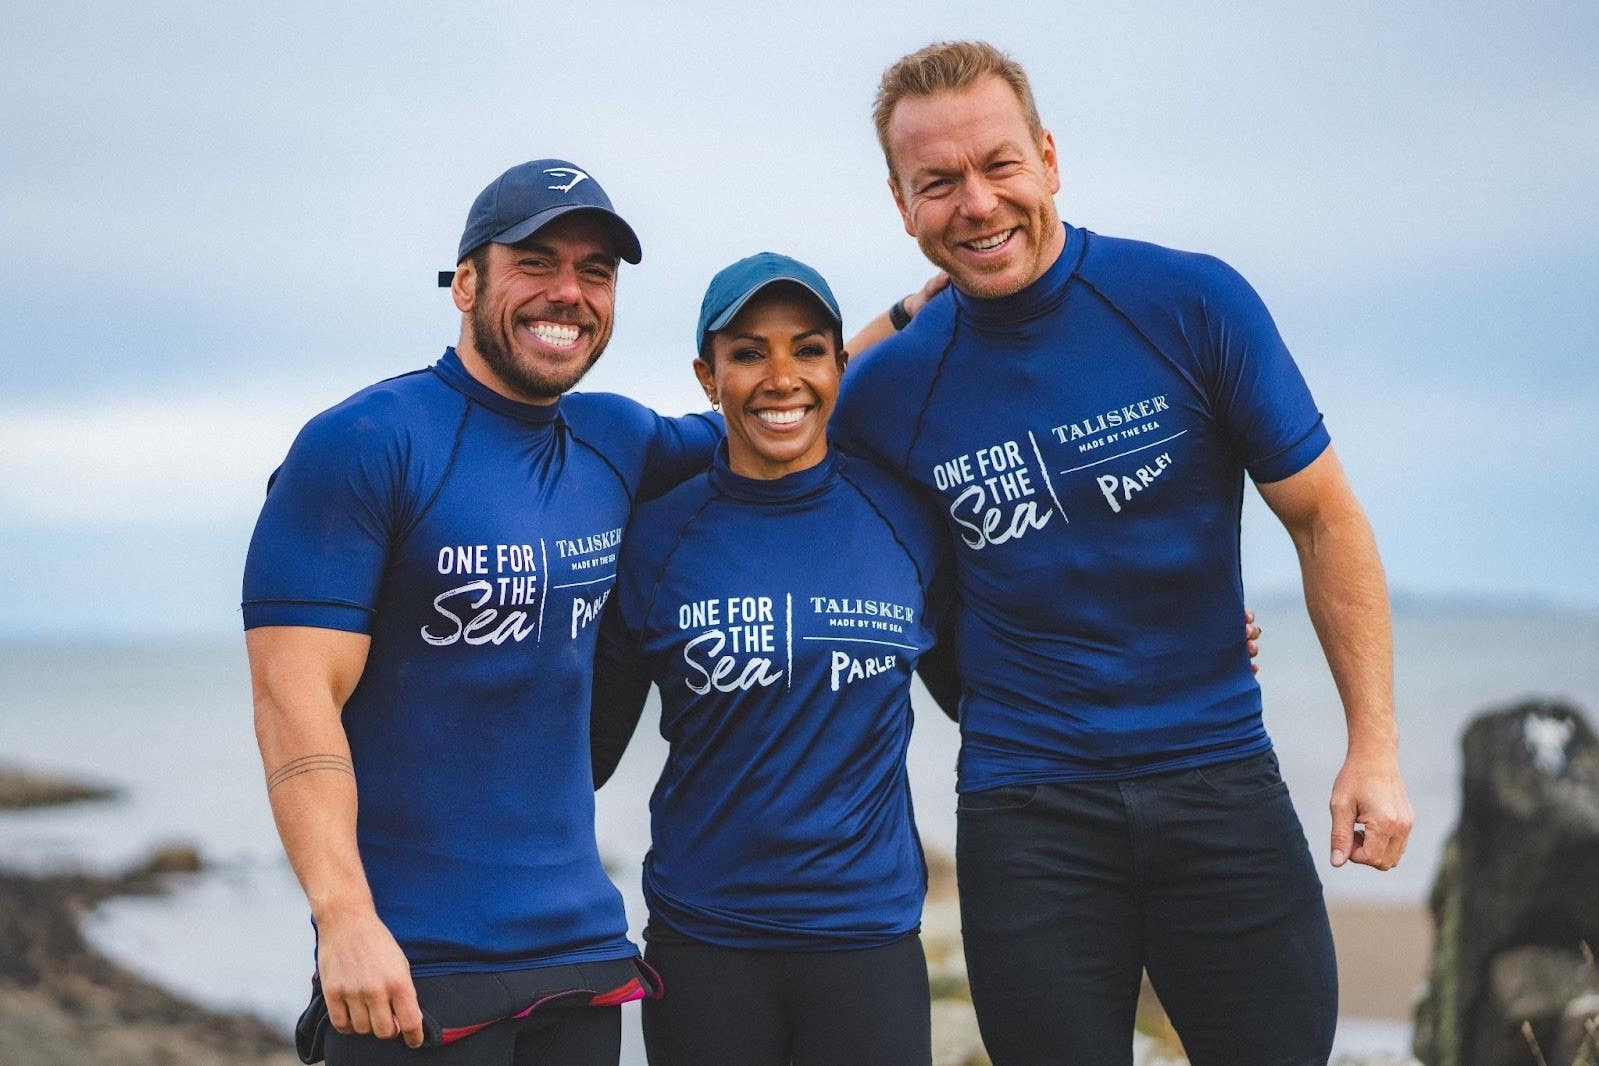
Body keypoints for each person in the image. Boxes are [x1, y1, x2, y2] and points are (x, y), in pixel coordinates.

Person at [835, 41, 1415, 1065]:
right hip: (1029, 812)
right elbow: (771, 419)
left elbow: (1323, 517)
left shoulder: (1189, 304)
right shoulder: (889, 393)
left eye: (999, 165)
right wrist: (902, 313)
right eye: (939, 183)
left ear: (1049, 158)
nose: (976, 203)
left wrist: (1373, 746)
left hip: (1217, 775)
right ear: (902, 205)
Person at [242, 159, 723, 1065]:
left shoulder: (616, 439)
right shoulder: (364, 444)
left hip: (581, 957)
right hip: (412, 969)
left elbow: (777, 402)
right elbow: (289, 700)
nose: (569, 293)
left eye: (595, 271)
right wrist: (343, 918)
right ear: (466, 283)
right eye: (536, 262)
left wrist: (912, 318)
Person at [587, 253, 957, 1066]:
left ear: (838, 365)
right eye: (749, 352)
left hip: (867, 941)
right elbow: (582, 753)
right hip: (703, 944)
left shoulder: (903, 518)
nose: (780, 377)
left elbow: (996, 687)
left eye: (807, 350)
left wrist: (1178, 641)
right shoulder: (655, 537)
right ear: (706, 375)